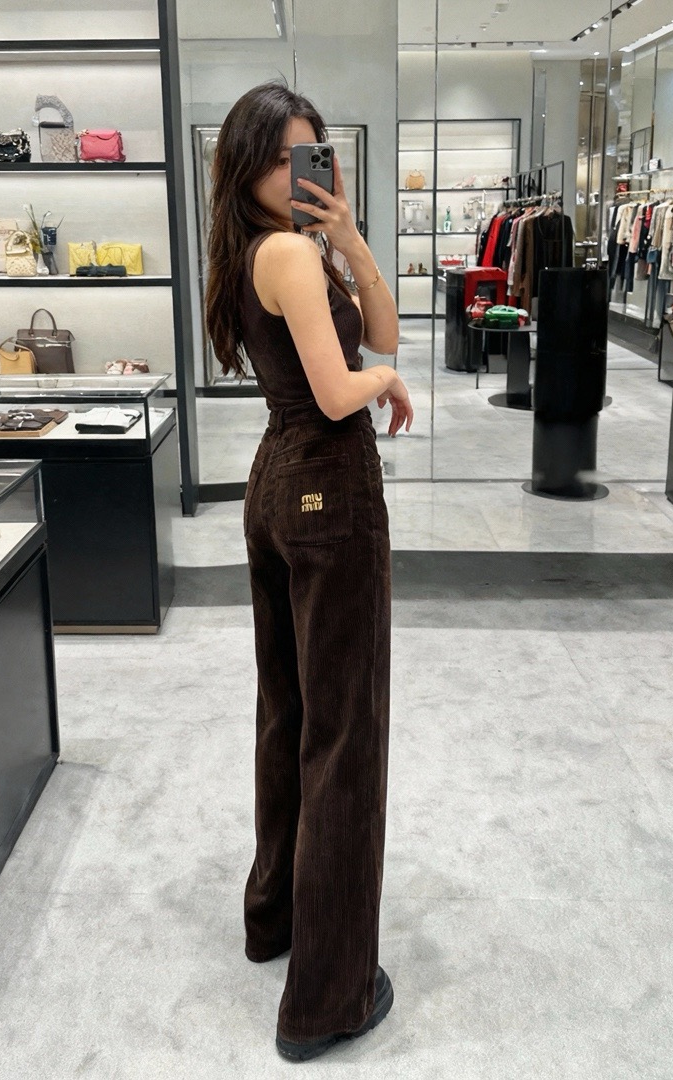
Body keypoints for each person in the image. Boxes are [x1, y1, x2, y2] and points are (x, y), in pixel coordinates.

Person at [205, 81, 413, 1063]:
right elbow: (347, 386)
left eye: (311, 153)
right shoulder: (288, 253)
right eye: (285, 156)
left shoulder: (270, 249)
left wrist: (354, 241)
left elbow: (385, 327)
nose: (301, 171)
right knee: (345, 735)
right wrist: (386, 383)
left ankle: (274, 917)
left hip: (277, 485)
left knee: (289, 714)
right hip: (328, 483)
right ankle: (327, 999)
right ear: (248, 165)